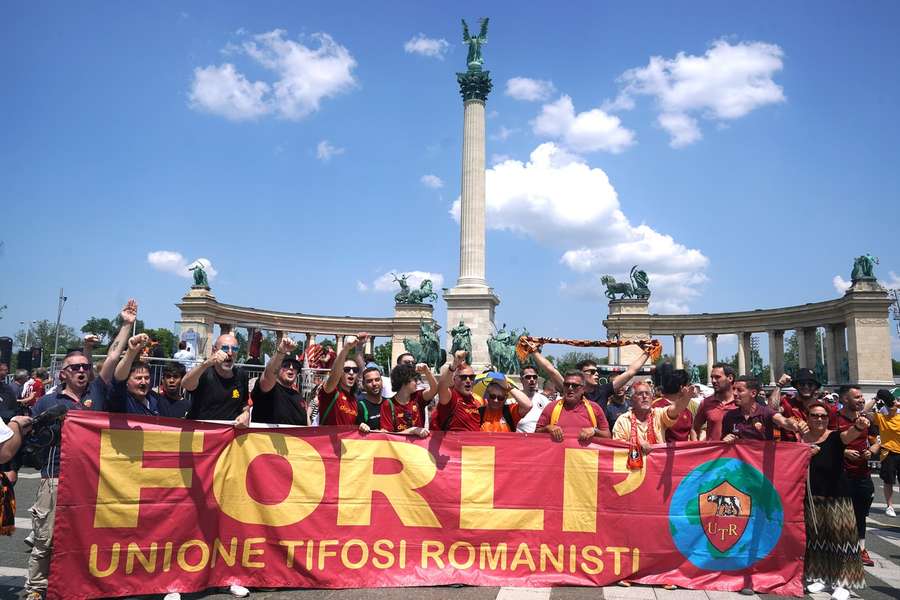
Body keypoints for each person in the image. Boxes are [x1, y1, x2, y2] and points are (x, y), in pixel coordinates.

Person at [24, 297, 135, 600]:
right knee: (46, 539)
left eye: (86, 367)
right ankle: (35, 589)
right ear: (63, 373)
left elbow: (112, 357)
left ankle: (80, 586)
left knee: (86, 537)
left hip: (91, 480)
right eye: (75, 368)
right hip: (56, 477)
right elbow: (32, 441)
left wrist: (125, 324)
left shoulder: (97, 391)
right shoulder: (48, 402)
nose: (82, 371)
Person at [801, 400, 869, 599]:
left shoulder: (835, 437)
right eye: (815, 415)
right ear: (808, 418)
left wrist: (859, 425)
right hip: (813, 496)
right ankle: (820, 577)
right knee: (817, 539)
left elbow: (851, 434)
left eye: (823, 416)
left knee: (843, 540)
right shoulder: (801, 438)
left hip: (837, 496)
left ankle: (844, 583)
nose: (819, 419)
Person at [829, 385, 879, 565]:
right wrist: (844, 452)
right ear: (844, 400)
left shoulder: (867, 419)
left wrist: (871, 451)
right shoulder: (833, 419)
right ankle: (839, 550)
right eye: (856, 397)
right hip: (841, 474)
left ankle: (862, 548)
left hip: (862, 474)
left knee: (860, 514)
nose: (861, 400)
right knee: (840, 515)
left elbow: (876, 442)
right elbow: (826, 443)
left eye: (861, 397)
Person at [531, 346, 652, 415]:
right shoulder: (571, 389)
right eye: (592, 372)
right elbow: (551, 370)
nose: (597, 374)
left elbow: (630, 372)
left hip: (599, 442)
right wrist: (533, 351)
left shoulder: (603, 390)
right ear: (581, 375)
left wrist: (647, 352)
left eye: (597, 371)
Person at [612, 369, 694, 458]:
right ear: (631, 399)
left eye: (647, 393)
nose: (644, 396)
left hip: (658, 467)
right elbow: (618, 446)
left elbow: (674, 409)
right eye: (640, 394)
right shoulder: (623, 420)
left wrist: (687, 398)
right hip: (632, 467)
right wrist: (636, 444)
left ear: (652, 398)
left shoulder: (658, 414)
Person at [108, 335, 192, 418]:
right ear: (126, 381)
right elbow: (118, 378)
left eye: (147, 378)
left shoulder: (156, 400)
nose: (143, 382)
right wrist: (131, 352)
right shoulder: (123, 400)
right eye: (138, 378)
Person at [182, 333, 251, 428]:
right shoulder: (204, 372)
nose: (230, 353)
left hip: (228, 435)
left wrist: (246, 413)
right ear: (215, 350)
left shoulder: (241, 375)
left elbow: (244, 403)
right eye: (225, 348)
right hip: (201, 433)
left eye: (234, 349)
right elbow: (186, 384)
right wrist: (205, 364)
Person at [722, 376, 805, 442]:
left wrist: (794, 424)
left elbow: (783, 421)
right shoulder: (729, 416)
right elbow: (723, 440)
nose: (734, 393)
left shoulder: (765, 412)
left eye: (739, 390)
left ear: (753, 393)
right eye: (733, 389)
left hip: (761, 462)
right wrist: (726, 439)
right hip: (739, 463)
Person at [535, 371, 610, 442]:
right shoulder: (551, 407)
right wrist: (548, 428)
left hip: (585, 455)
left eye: (575, 386)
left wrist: (594, 431)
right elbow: (535, 434)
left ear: (583, 389)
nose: (570, 388)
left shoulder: (594, 408)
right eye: (567, 385)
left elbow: (608, 436)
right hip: (557, 455)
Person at [249, 336, 307, 426]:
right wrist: (281, 352)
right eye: (286, 365)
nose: (291, 368)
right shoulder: (269, 389)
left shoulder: (298, 395)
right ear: (278, 368)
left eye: (295, 367)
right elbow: (268, 376)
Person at [317, 333, 368, 426]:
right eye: (347, 369)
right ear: (341, 372)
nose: (351, 372)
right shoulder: (331, 392)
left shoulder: (355, 401)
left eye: (355, 370)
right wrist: (346, 349)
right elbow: (334, 374)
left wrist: (362, 426)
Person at [379, 363, 435, 437]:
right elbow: (387, 435)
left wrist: (427, 371)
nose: (417, 383)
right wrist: (412, 431)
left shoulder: (418, 397)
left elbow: (434, 389)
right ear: (404, 381)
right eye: (414, 380)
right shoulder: (387, 404)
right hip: (399, 447)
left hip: (418, 446)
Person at [771, 368, 826, 441]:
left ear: (816, 387)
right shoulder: (787, 403)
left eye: (810, 384)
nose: (806, 387)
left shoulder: (824, 408)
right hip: (792, 449)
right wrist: (779, 385)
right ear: (796, 386)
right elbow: (771, 410)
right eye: (802, 384)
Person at [435, 351, 482, 431]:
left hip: (475, 443)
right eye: (463, 377)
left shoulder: (476, 400)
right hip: (455, 442)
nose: (468, 380)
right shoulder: (452, 398)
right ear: (454, 379)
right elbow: (441, 386)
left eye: (471, 377)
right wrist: (454, 365)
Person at [872, 388, 900, 517]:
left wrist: (896, 402)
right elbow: (864, 411)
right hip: (888, 452)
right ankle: (889, 506)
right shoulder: (881, 418)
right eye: (889, 404)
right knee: (888, 480)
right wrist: (876, 399)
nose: (892, 405)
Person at [693, 363, 737, 441]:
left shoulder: (741, 403)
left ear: (730, 378)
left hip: (736, 452)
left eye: (717, 377)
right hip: (712, 452)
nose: (713, 381)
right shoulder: (706, 403)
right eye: (712, 377)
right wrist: (696, 448)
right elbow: (694, 428)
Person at [515, 365, 551, 433]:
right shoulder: (515, 400)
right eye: (528, 377)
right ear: (521, 380)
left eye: (534, 377)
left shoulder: (545, 400)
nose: (532, 379)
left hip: (540, 439)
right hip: (521, 440)